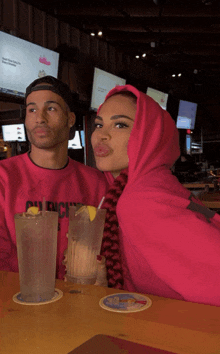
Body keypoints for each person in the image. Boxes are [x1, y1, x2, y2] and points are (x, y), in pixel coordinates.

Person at [91, 84, 220, 306]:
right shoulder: (154, 183)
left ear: (148, 135)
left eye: (120, 125)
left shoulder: (139, 200)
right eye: (99, 124)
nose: (101, 135)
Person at [0, 76, 108, 279]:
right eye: (32, 109)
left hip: (80, 299)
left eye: (51, 108)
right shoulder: (4, 177)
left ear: (70, 119)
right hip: (18, 299)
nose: (39, 117)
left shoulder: (96, 183)